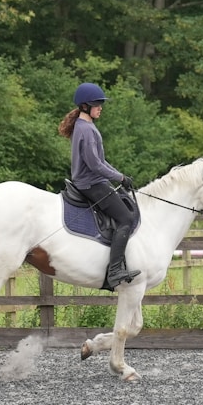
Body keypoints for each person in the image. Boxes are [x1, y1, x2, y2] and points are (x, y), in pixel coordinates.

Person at [58, 83, 140, 289]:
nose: (101, 107)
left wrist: (119, 176)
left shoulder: (85, 126)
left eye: (101, 104)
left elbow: (101, 162)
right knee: (126, 218)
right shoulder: (85, 129)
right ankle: (114, 271)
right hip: (90, 184)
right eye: (97, 104)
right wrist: (119, 178)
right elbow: (94, 164)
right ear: (85, 106)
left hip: (93, 181)